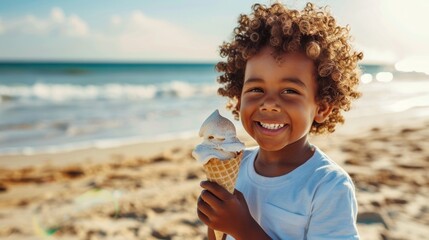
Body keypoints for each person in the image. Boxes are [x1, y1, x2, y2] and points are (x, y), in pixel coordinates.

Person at [197, 2, 363, 240]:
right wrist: (215, 222)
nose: (269, 103)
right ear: (237, 99)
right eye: (255, 89)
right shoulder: (238, 165)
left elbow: (240, 231)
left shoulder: (328, 186)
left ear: (322, 107)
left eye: (289, 91)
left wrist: (242, 228)